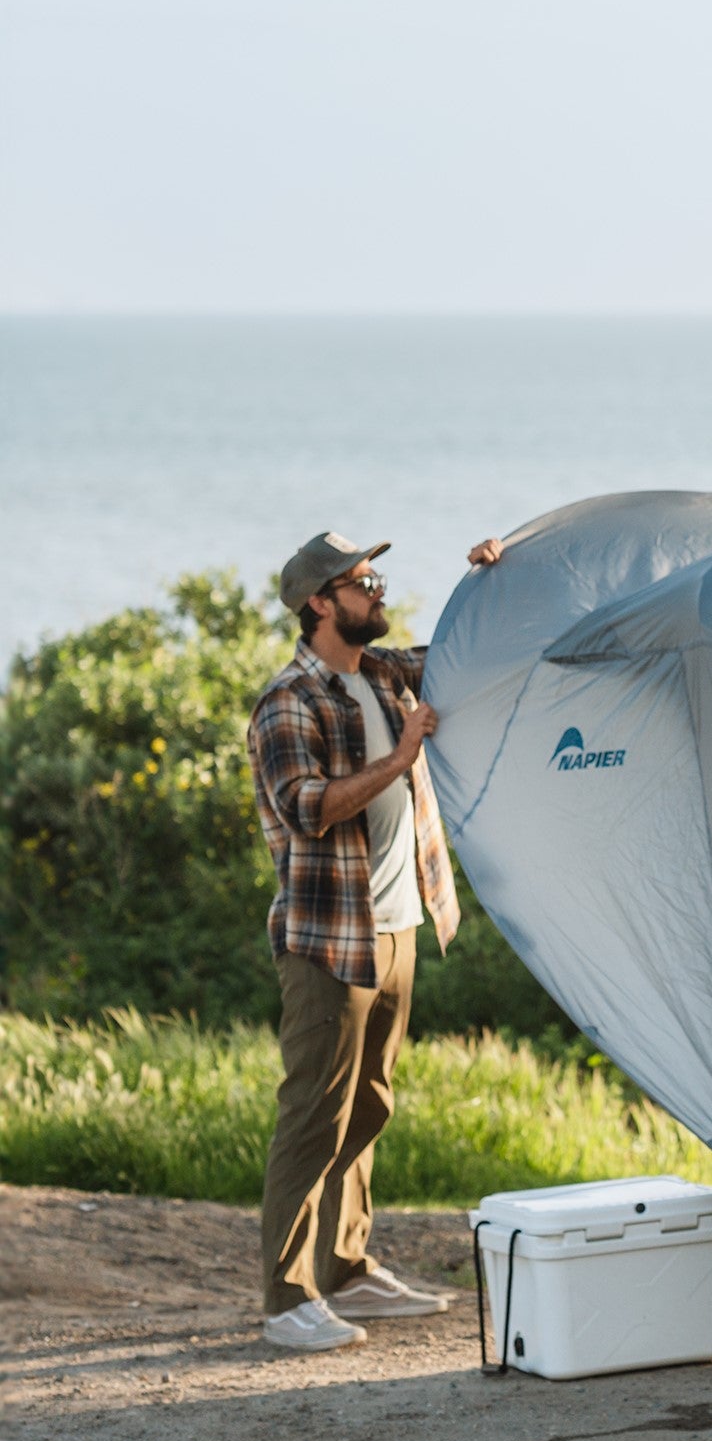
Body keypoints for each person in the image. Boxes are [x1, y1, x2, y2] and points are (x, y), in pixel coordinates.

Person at [245, 530, 505, 1351]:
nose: (378, 591)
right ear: (320, 602)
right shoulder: (288, 702)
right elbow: (309, 807)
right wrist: (401, 756)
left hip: (398, 925)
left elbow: (478, 655)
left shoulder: (385, 675)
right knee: (313, 1114)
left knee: (369, 1103)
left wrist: (493, 577)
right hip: (329, 942)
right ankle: (288, 1299)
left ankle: (348, 1270)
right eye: (363, 581)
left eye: (375, 576)